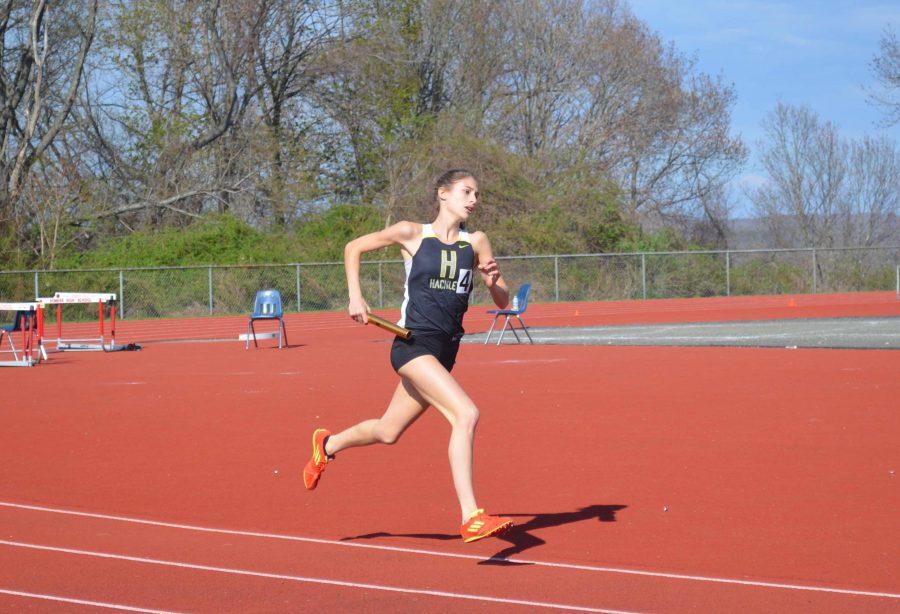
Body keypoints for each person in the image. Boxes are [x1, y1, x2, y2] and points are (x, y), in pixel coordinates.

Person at [303, 169, 514, 543]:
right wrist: (356, 296)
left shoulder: (476, 242)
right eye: (467, 192)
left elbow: (503, 301)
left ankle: (327, 445)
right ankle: (471, 516)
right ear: (443, 194)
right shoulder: (412, 233)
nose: (474, 200)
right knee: (466, 414)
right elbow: (353, 247)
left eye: (477, 194)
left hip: (446, 351)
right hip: (412, 345)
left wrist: (495, 280)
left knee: (388, 431)